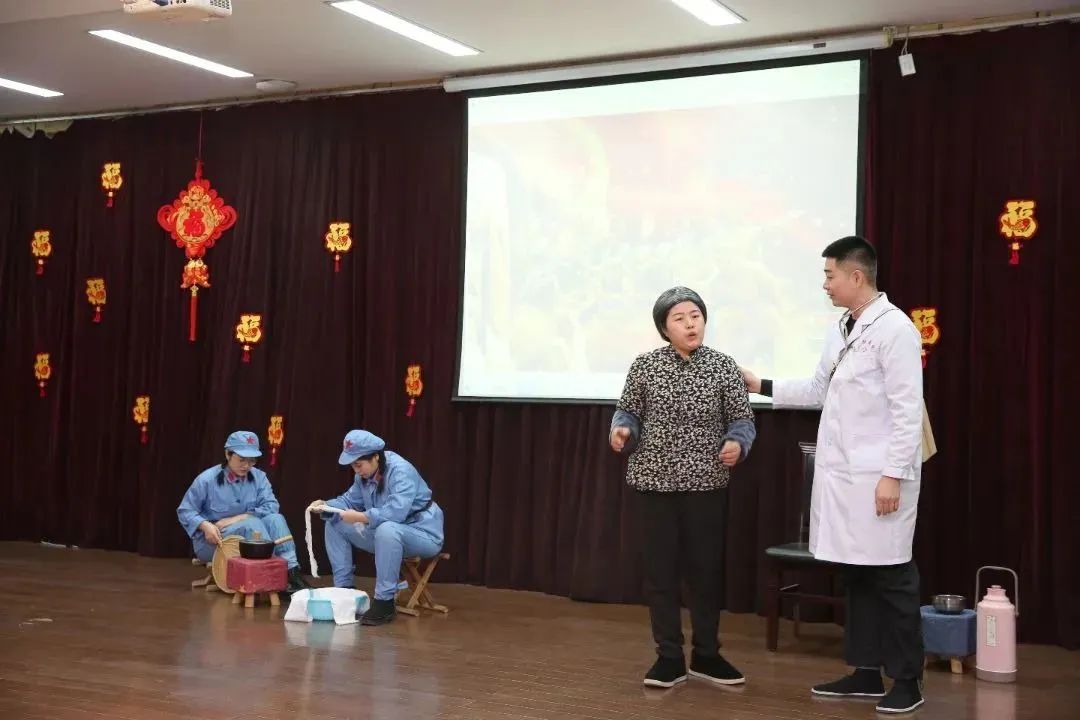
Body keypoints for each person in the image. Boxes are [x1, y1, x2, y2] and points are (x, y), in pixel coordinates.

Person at [741, 236, 925, 714]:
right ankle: (865, 671)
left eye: (829, 275)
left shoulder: (896, 329)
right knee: (857, 573)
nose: (824, 284)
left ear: (856, 276)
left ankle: (907, 680)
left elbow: (908, 409)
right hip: (845, 477)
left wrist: (893, 475)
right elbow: (818, 390)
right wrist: (761, 384)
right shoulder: (842, 327)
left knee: (892, 575)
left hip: (880, 476)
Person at [610, 287, 756, 689]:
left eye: (696, 315)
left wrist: (737, 443)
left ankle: (707, 654)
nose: (691, 324)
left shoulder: (724, 366)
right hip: (653, 483)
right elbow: (628, 412)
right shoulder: (644, 366)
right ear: (664, 328)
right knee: (660, 574)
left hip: (705, 484)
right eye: (679, 318)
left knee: (705, 573)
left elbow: (742, 420)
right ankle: (669, 657)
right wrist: (622, 430)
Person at [312, 430, 444, 626]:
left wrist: (361, 517)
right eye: (353, 466)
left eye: (359, 465)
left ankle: (384, 602)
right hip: (387, 535)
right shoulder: (363, 475)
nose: (356, 470)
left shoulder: (401, 471)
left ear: (375, 456)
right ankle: (344, 590)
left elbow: (395, 513)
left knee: (387, 529)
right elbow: (349, 500)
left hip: (423, 534)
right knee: (335, 521)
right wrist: (326, 505)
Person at [177, 430, 311, 596]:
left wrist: (239, 517)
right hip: (214, 541)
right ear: (227, 454)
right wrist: (205, 526)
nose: (246, 466)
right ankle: (275, 578)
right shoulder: (207, 480)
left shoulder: (259, 477)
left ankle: (292, 575)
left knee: (276, 519)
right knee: (253, 523)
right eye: (241, 460)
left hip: (250, 537)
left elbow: (271, 505)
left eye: (251, 460)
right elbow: (185, 511)